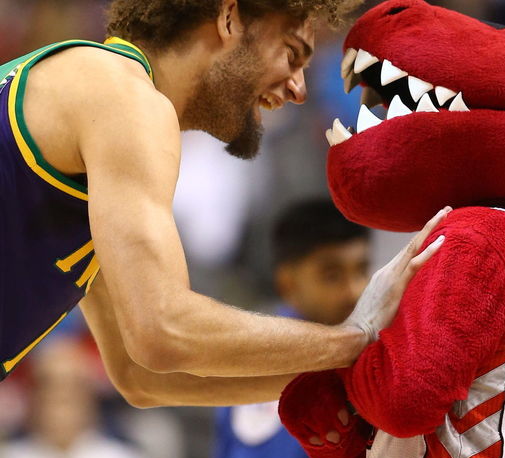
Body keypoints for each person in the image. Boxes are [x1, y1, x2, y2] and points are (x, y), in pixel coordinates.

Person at [0, 0, 449, 407]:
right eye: (291, 54)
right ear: (228, 18)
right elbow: (162, 328)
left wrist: (355, 366)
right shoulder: (121, 94)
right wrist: (355, 338)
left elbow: (141, 376)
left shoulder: (89, 94)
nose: (299, 91)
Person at [212, 198, 370, 458]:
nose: (354, 291)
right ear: (288, 283)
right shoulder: (264, 354)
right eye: (332, 276)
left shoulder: (370, 349)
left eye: (361, 270)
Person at [0, 337, 157, 458]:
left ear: (89, 399)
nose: (60, 403)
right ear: (33, 399)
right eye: (49, 389)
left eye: (71, 392)